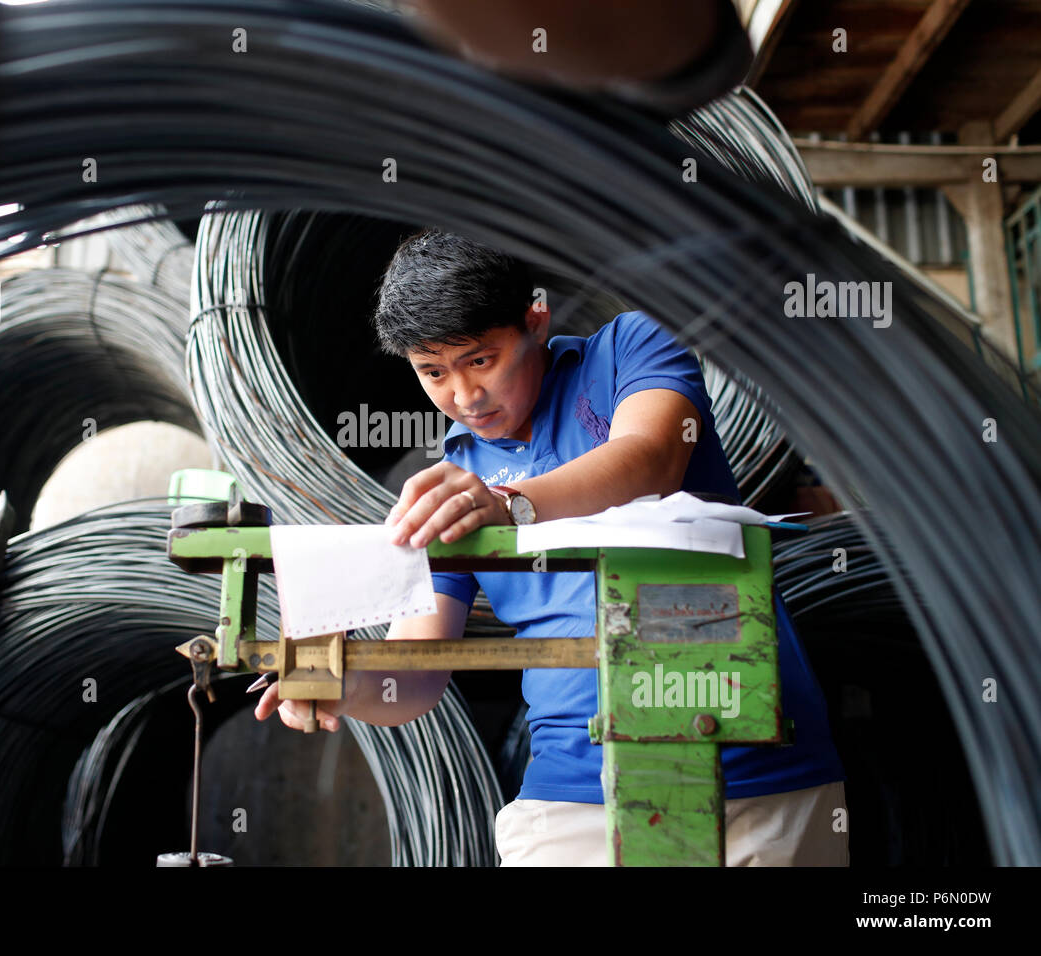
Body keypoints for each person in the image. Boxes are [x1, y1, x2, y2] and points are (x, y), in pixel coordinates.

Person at [256, 229, 848, 866]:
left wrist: (510, 504)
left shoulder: (630, 348)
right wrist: (338, 680)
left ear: (535, 321)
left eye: (481, 359)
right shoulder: (452, 481)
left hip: (755, 767)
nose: (462, 396)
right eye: (433, 372)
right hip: (571, 792)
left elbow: (651, 459)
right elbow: (418, 672)